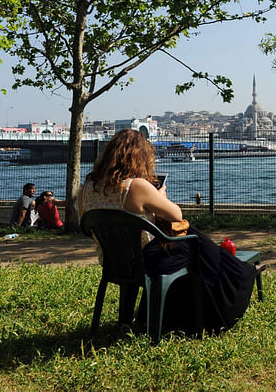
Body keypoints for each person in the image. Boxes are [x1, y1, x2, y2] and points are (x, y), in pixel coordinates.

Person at [79, 128, 258, 334]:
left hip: (113, 262)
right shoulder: (136, 186)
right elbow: (176, 215)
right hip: (149, 261)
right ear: (139, 157)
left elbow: (86, 225)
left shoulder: (87, 188)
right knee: (195, 241)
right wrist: (160, 195)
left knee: (193, 243)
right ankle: (229, 290)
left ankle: (153, 316)